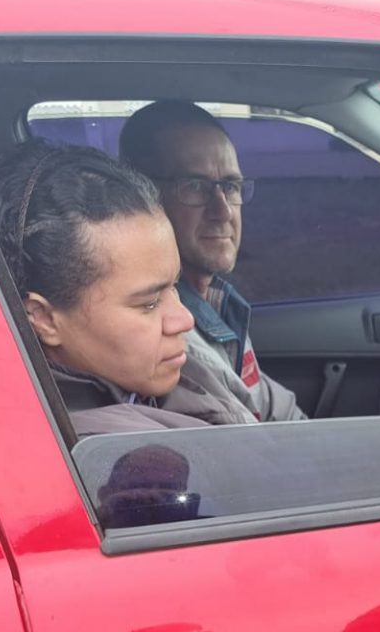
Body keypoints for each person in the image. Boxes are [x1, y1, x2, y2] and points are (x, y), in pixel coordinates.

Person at [0, 140, 261, 434]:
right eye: (149, 303)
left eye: (175, 286)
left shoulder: (172, 370)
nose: (185, 319)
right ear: (44, 318)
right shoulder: (109, 451)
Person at [119, 100, 306, 424]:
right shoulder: (173, 342)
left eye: (230, 186)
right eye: (195, 187)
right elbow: (257, 443)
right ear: (143, 197)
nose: (223, 211)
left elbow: (270, 405)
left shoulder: (214, 300)